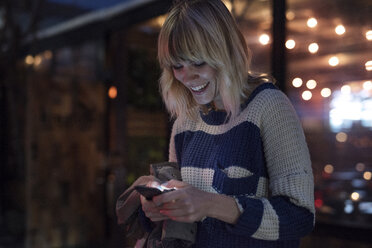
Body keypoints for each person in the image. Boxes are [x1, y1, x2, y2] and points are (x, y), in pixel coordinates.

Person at [139, 0, 315, 247]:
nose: (187, 77)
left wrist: (210, 204)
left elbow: (299, 217)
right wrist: (157, 211)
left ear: (227, 52)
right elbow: (182, 228)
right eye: (177, 66)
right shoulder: (185, 122)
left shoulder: (269, 106)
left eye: (198, 62)